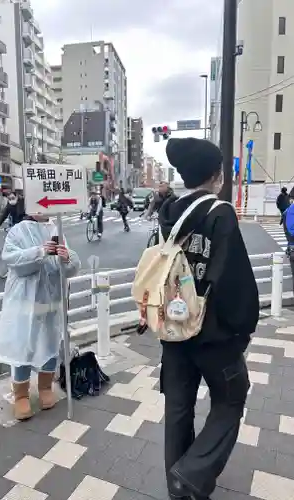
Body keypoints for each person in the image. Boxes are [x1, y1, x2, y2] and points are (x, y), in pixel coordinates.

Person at [158, 138, 259, 500]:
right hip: (214, 335)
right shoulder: (220, 213)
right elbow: (233, 280)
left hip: (173, 329)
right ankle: (192, 472)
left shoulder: (167, 214)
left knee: (178, 408)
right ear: (217, 175)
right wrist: (243, 328)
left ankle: (178, 486)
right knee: (231, 398)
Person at [0, 213, 80, 420]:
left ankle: (45, 387)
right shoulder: (17, 231)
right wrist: (40, 252)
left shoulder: (55, 229)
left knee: (50, 343)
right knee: (23, 345)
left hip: (51, 301)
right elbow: (12, 260)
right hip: (24, 301)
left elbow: (70, 266)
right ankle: (21, 395)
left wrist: (66, 257)